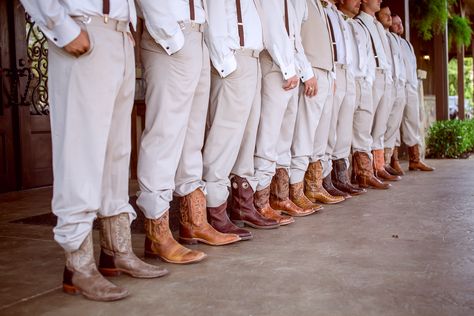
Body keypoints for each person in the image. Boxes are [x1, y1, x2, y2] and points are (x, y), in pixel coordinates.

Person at [20, 0, 167, 301]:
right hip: (83, 27)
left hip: (119, 35)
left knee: (116, 153)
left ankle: (117, 252)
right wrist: (61, 26)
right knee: (80, 151)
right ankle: (78, 263)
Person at [136, 0, 241, 265]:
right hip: (171, 34)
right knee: (165, 133)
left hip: (197, 35)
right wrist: (172, 36)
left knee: (192, 137)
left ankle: (193, 221)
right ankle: (157, 231)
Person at [204, 0, 280, 237]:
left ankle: (243, 206)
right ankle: (215, 211)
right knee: (224, 138)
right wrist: (227, 65)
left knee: (247, 137)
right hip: (234, 60)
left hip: (253, 59)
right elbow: (214, 23)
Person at [253, 0, 318, 221]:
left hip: (290, 67)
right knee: (268, 137)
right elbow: (272, 28)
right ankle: (260, 201)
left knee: (284, 138)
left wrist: (304, 70)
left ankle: (279, 196)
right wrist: (289, 68)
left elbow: (294, 38)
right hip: (274, 64)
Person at [291, 0, 345, 207]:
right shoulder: (301, 2)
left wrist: (331, 75)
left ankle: (314, 186)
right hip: (312, 72)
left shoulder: (319, 7)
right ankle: (296, 188)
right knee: (305, 133)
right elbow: (295, 38)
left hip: (325, 73)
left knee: (321, 135)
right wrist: (307, 73)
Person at [322, 0, 366, 197]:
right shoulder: (325, 11)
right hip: (334, 69)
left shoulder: (343, 19)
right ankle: (324, 179)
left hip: (348, 72)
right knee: (329, 127)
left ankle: (342, 177)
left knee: (344, 128)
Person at [356, 0, 397, 184]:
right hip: (370, 78)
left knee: (380, 125)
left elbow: (385, 55)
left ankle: (378, 166)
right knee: (366, 124)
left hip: (384, 77)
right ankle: (364, 172)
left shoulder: (379, 27)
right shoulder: (359, 22)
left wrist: (388, 77)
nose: (379, 0)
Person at [390, 15, 435, 172]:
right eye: (395, 24)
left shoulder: (407, 44)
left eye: (400, 23)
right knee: (394, 123)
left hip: (411, 86)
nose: (399, 26)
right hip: (397, 85)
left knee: (413, 121)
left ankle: (415, 159)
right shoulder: (389, 39)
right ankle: (393, 160)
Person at [377, 4, 405, 179]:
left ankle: (386, 161)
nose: (388, 17)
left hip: (397, 84)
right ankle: (379, 164)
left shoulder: (394, 38)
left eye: (389, 14)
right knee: (382, 124)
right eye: (385, 14)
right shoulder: (379, 33)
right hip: (384, 82)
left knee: (394, 123)